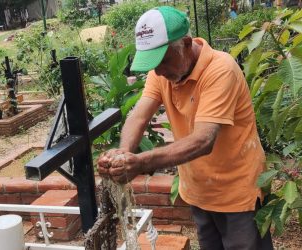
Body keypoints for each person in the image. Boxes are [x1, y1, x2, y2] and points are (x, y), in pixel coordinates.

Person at [97, 6, 273, 250]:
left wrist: (140, 162)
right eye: (152, 63)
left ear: (187, 44)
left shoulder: (220, 69)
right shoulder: (161, 74)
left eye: (163, 60)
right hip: (199, 191)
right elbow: (138, 116)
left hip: (236, 193)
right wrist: (123, 153)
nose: (157, 70)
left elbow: (203, 140)